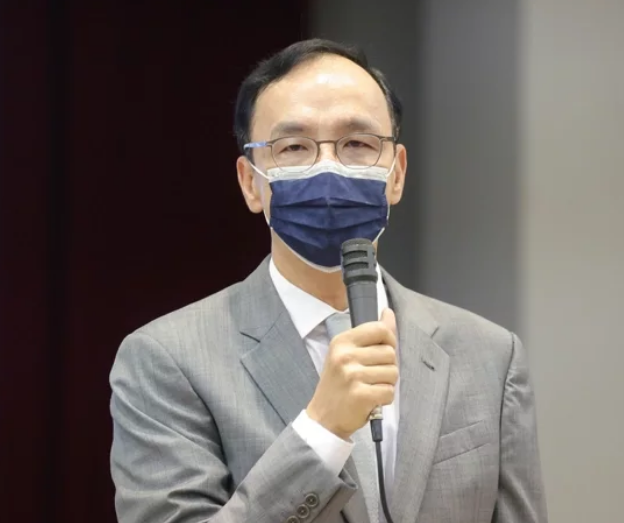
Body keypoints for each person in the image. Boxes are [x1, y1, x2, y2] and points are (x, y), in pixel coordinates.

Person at [109, 38, 546, 523]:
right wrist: (322, 430)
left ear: (396, 174)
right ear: (250, 182)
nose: (328, 169)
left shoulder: (490, 356)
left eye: (357, 144)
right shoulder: (167, 360)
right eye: (294, 147)